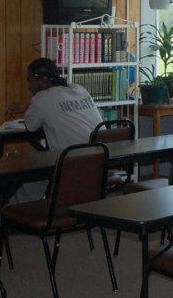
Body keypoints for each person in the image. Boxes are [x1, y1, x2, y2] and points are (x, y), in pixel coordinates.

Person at [6, 58, 103, 203]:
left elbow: (31, 127)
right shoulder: (78, 88)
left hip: (71, 164)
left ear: (43, 80)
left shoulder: (41, 99)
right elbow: (57, 104)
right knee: (41, 171)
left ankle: (12, 211)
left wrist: (30, 108)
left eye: (30, 80)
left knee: (32, 171)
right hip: (100, 161)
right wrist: (28, 106)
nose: (29, 87)